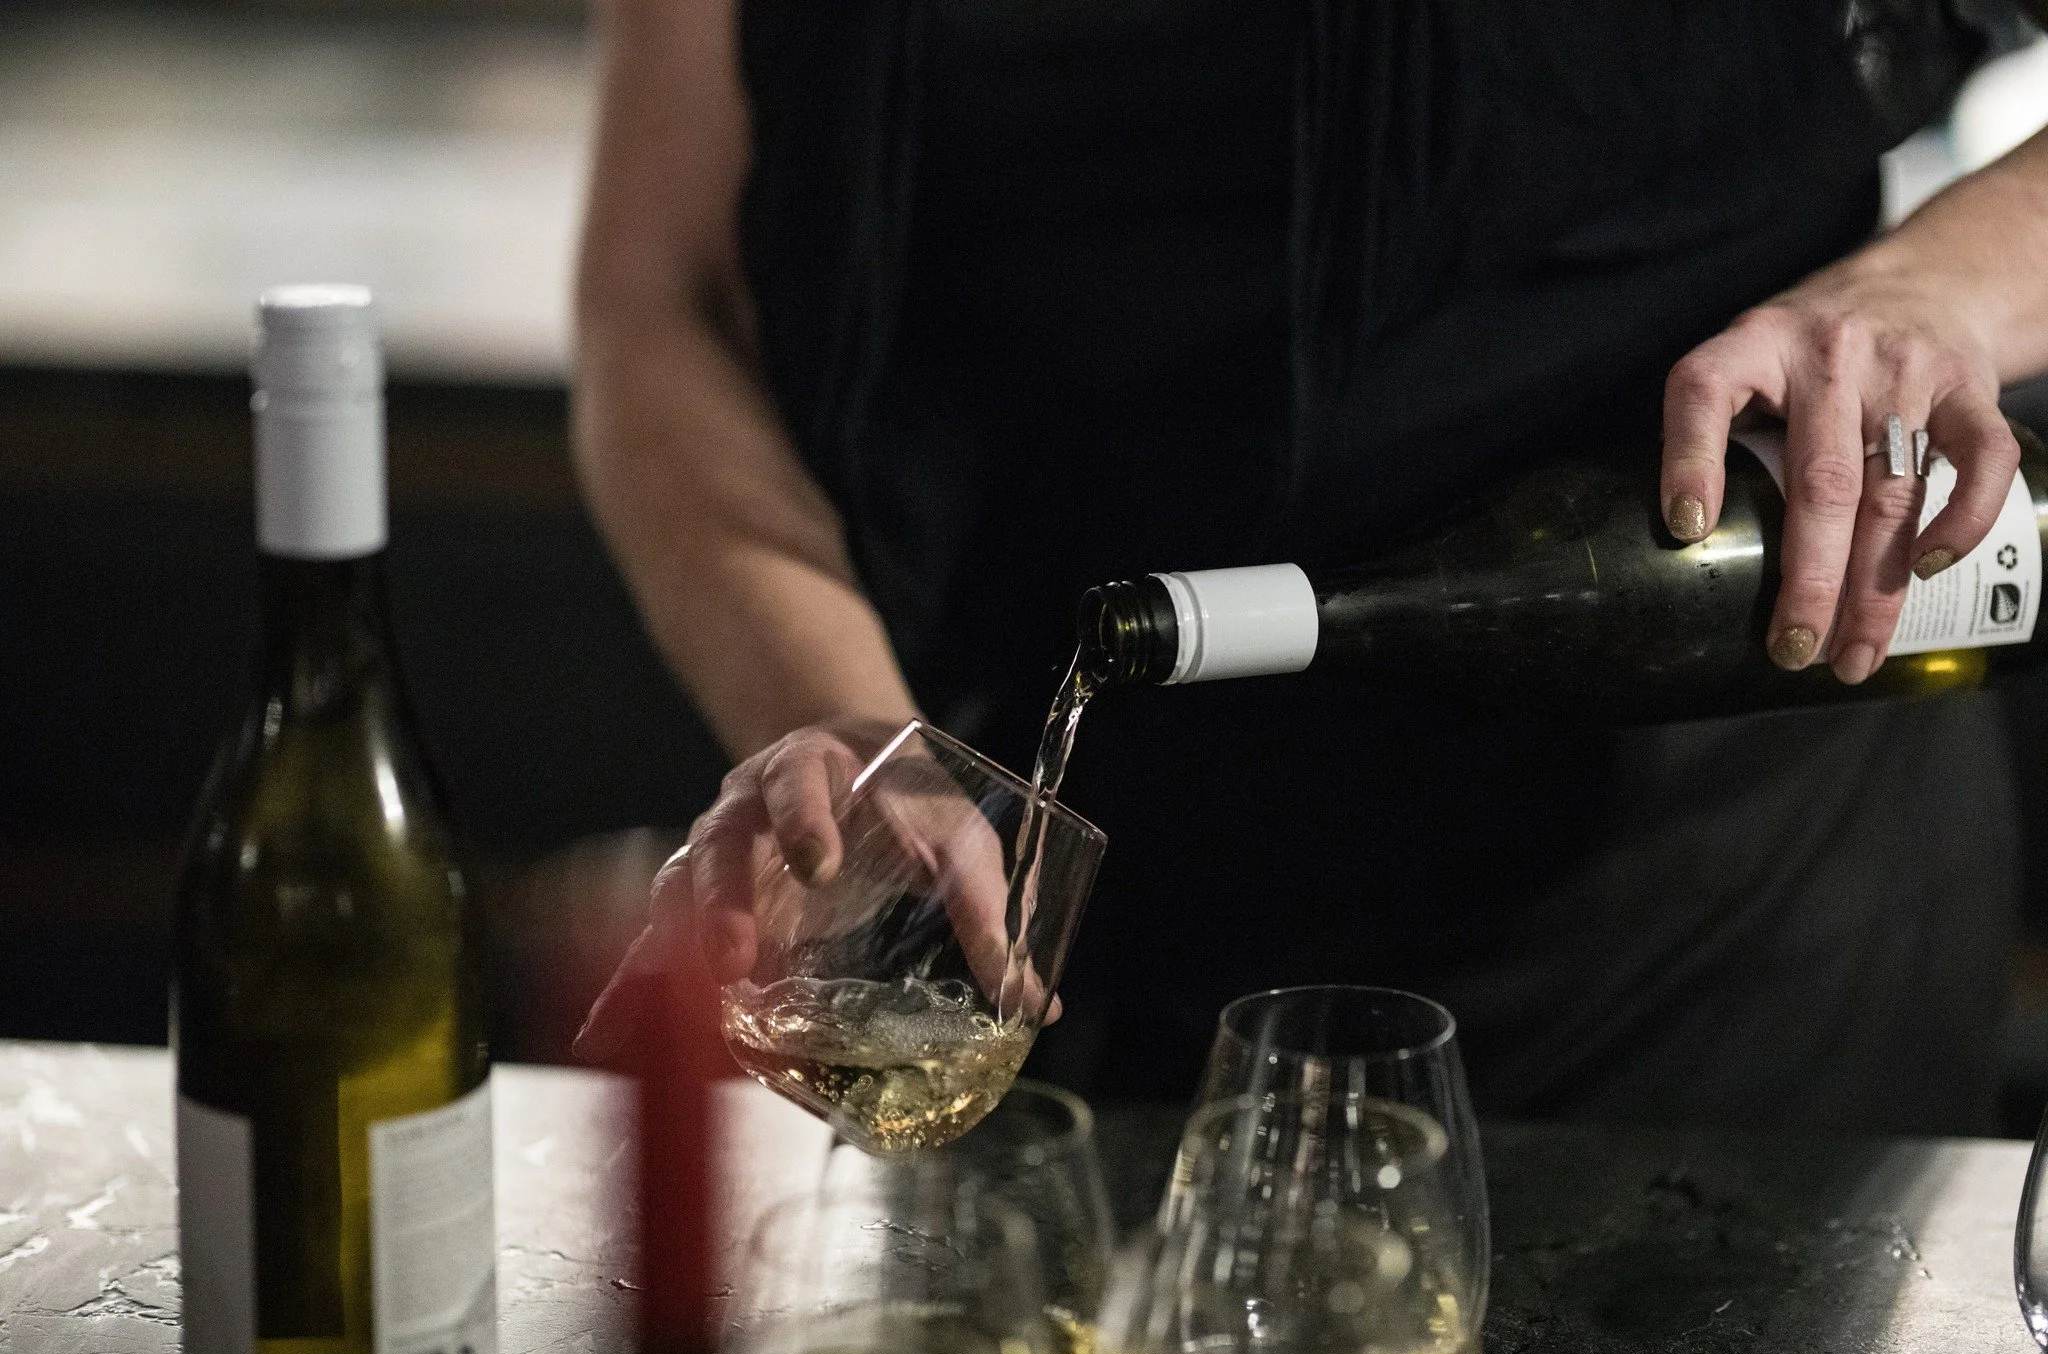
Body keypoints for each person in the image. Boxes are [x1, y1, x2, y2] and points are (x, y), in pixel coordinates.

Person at [571, 0, 2048, 1134]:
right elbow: (661, 299)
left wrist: (1930, 287)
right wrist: (849, 724)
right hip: (1040, 905)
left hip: (1696, 927)